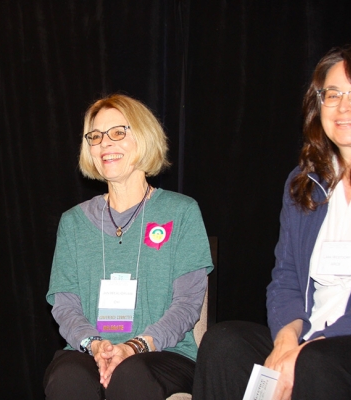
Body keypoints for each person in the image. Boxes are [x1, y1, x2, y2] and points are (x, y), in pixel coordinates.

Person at [193, 45, 351, 400]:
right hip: (310, 337)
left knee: (316, 362)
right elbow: (284, 278)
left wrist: (307, 350)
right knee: (224, 343)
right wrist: (285, 338)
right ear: (319, 105)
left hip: (344, 344)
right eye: (334, 94)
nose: (345, 106)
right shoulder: (304, 183)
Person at [44, 94, 213, 399]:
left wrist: (134, 346)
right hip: (89, 351)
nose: (104, 144)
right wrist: (96, 345)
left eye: (118, 133)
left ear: (144, 138)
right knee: (68, 378)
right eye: (95, 136)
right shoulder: (73, 223)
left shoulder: (182, 212)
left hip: (164, 353)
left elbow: (188, 305)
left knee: (132, 375)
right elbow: (65, 306)